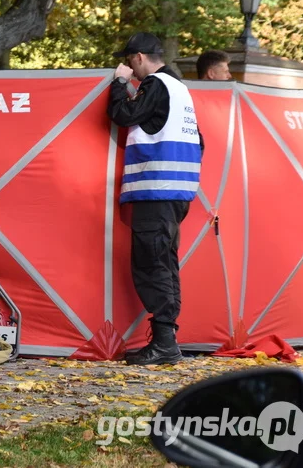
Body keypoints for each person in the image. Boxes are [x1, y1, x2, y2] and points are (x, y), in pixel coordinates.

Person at [107, 32, 204, 366]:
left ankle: (164, 344)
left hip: (156, 191)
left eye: (129, 63)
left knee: (151, 264)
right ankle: (167, 340)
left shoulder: (156, 85)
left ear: (137, 57)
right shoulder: (181, 90)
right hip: (177, 192)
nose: (130, 70)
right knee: (165, 264)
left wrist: (119, 85)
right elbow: (199, 141)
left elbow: (123, 116)